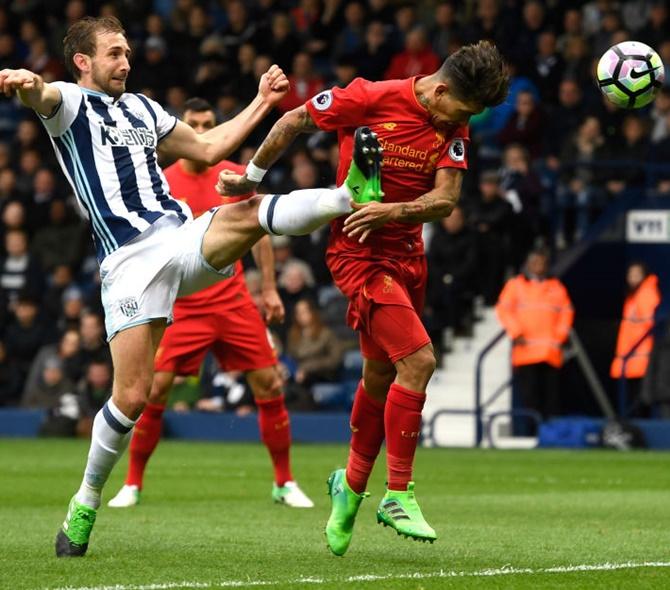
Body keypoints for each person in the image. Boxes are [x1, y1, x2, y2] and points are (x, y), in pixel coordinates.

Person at [0, 15, 381, 557]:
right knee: (131, 397)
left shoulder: (144, 108)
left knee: (247, 211)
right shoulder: (68, 102)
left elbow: (205, 148)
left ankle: (350, 195)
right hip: (129, 263)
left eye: (127, 51)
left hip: (179, 236)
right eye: (113, 53)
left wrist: (261, 102)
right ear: (83, 61)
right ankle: (85, 502)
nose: (125, 61)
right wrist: (25, 80)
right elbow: (40, 96)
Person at [221, 40, 509, 554]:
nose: (459, 123)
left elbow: (445, 201)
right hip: (359, 258)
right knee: (418, 363)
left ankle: (349, 489)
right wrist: (250, 179)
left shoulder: (453, 122)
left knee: (380, 375)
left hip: (408, 260)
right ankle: (398, 491)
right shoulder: (370, 98)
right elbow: (291, 122)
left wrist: (391, 212)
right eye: (460, 112)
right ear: (439, 90)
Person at [106, 98, 313, 510]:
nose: (202, 130)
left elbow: (258, 230)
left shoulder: (234, 177)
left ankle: (284, 481)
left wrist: (269, 289)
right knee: (154, 389)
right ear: (182, 128)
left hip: (233, 300)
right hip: (184, 303)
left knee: (269, 384)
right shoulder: (160, 181)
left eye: (208, 122)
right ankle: (131, 483)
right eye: (195, 124)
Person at [495, 248, 574, 424]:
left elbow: (566, 313)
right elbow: (503, 310)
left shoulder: (556, 287)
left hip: (550, 353)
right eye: (535, 262)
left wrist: (559, 337)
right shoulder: (515, 285)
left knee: (551, 398)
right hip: (526, 352)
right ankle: (534, 432)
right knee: (530, 398)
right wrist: (516, 332)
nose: (538, 266)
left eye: (542, 263)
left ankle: (549, 434)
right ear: (528, 264)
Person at [610, 262, 661, 417]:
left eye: (636, 274)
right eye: (630, 274)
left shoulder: (646, 294)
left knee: (640, 398)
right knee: (634, 398)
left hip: (641, 356)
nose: (632, 278)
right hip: (632, 356)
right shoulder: (634, 296)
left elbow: (649, 324)